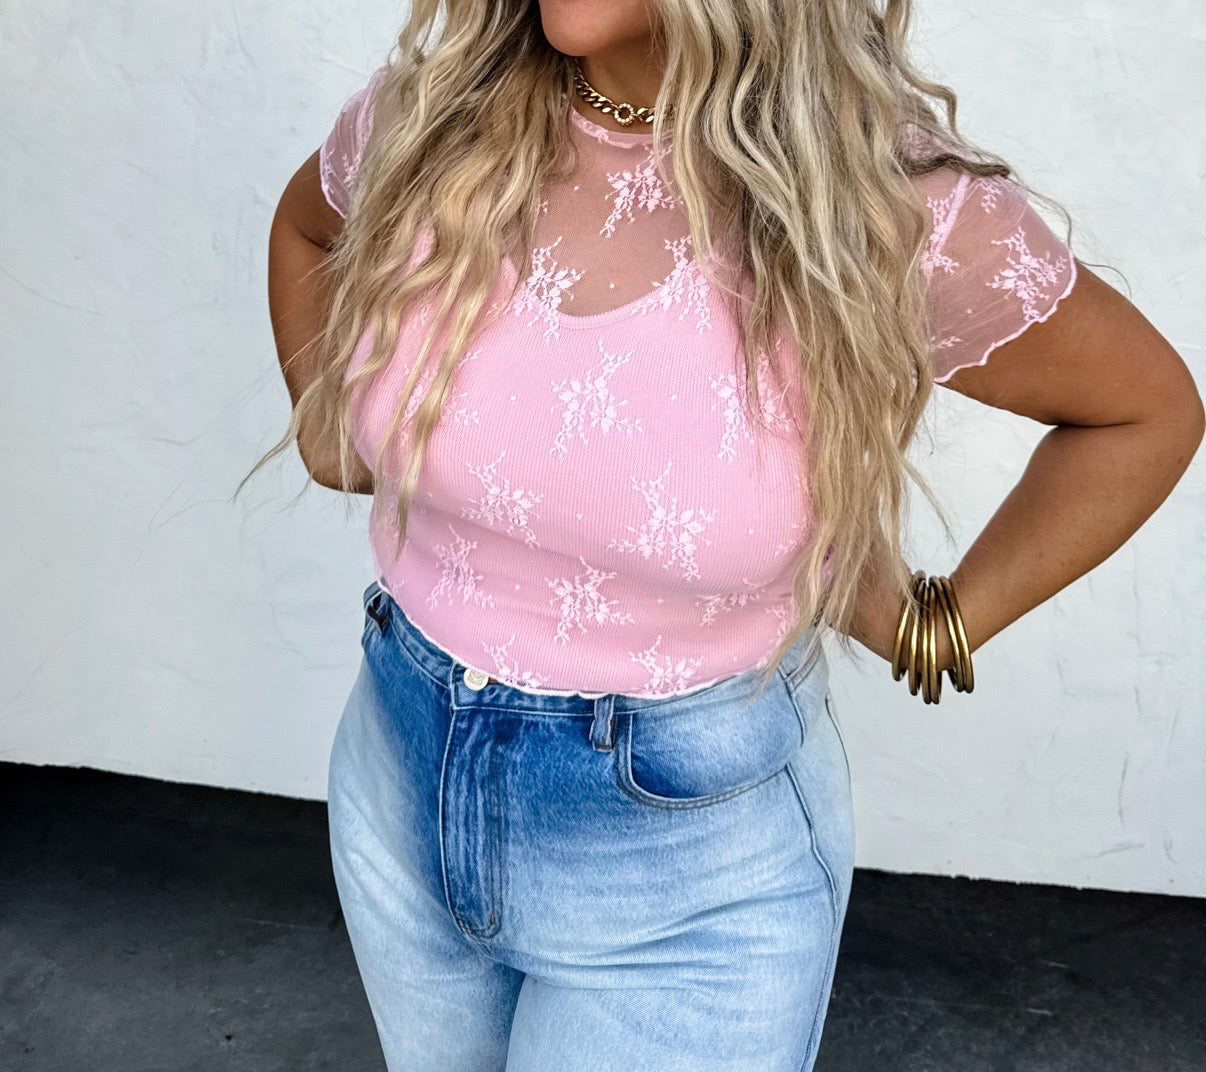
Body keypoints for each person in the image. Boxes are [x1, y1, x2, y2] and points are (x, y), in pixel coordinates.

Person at [256, 3, 1204, 1069]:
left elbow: (1144, 412)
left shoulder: (882, 206)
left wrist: (935, 622)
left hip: (689, 889)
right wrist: (335, 433)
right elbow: (307, 229)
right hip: (398, 792)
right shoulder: (435, 118)